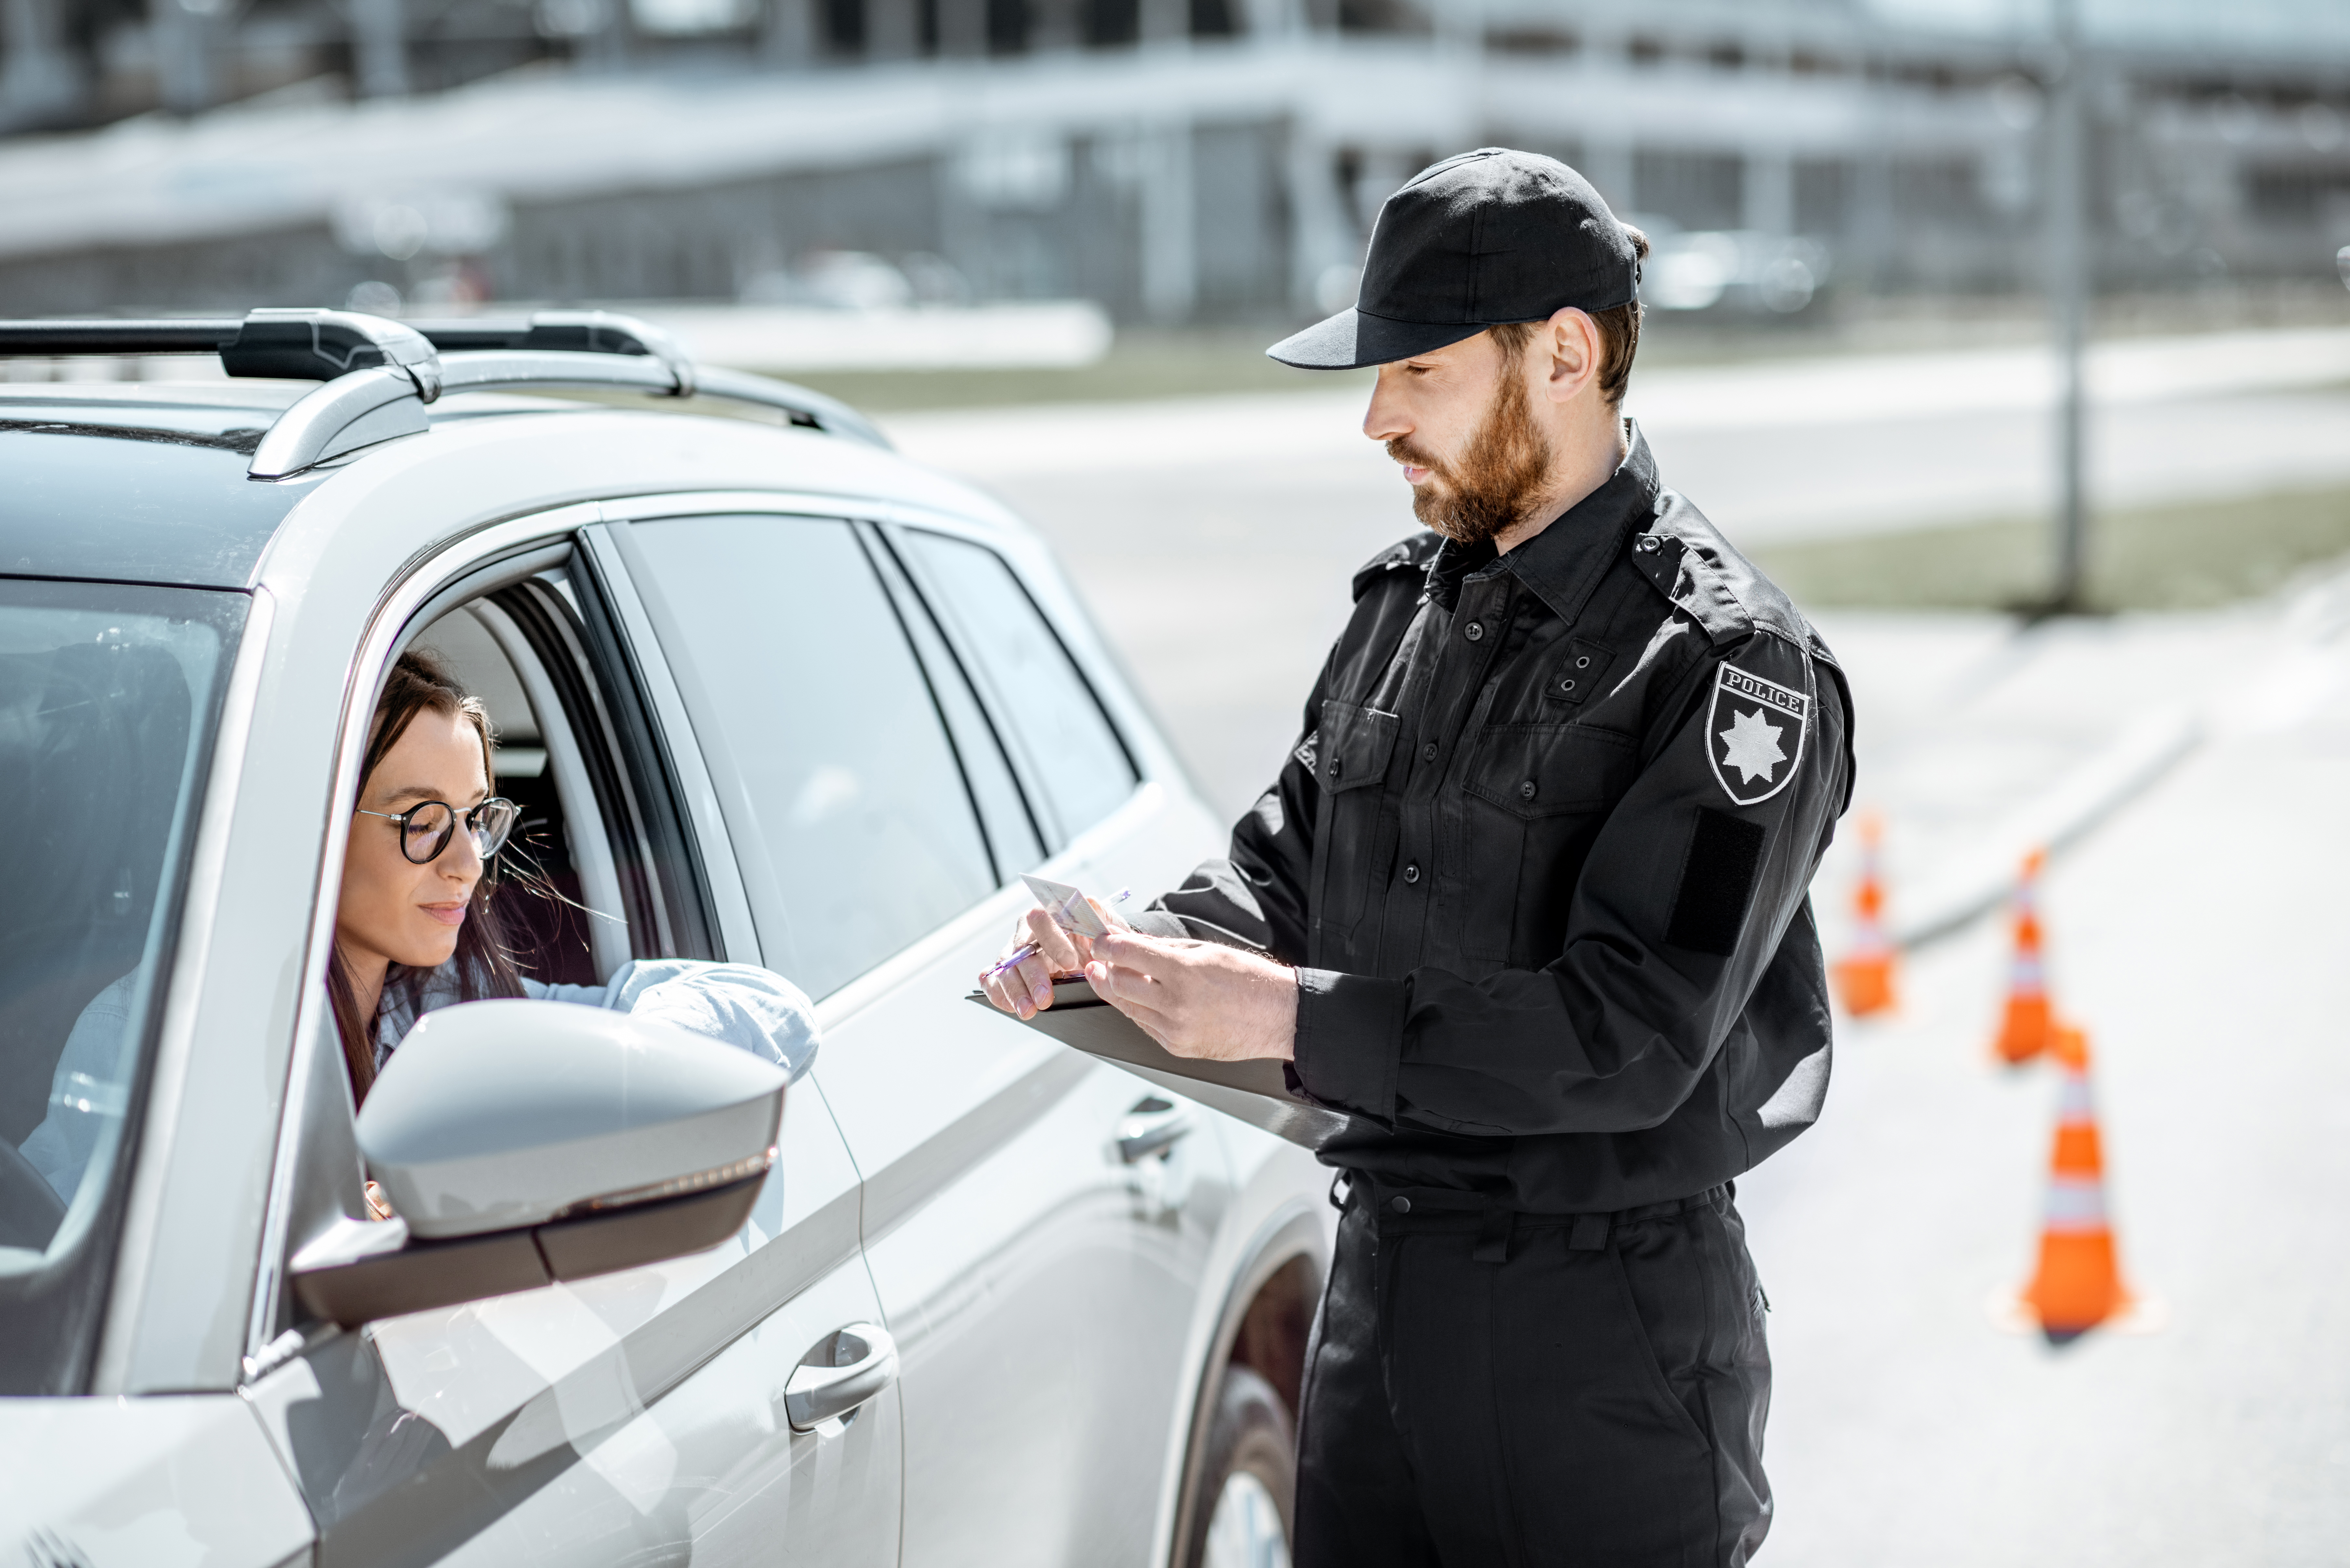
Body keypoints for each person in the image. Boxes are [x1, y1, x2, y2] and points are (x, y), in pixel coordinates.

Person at [981, 150, 1853, 1566]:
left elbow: (1630, 1034)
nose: (1376, 419)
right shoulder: (1406, 607)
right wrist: (1135, 952)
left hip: (1601, 1344)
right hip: (1382, 1291)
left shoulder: (1728, 668)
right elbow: (1287, 860)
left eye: (1419, 372)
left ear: (1564, 354)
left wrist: (1277, 1016)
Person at [24, 648, 817, 1211]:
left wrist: (632, 1082)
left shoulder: (449, 1003)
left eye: (476, 818)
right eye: (421, 821)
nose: (468, 863)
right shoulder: (163, 1036)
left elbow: (764, 1005)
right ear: (316, 826)